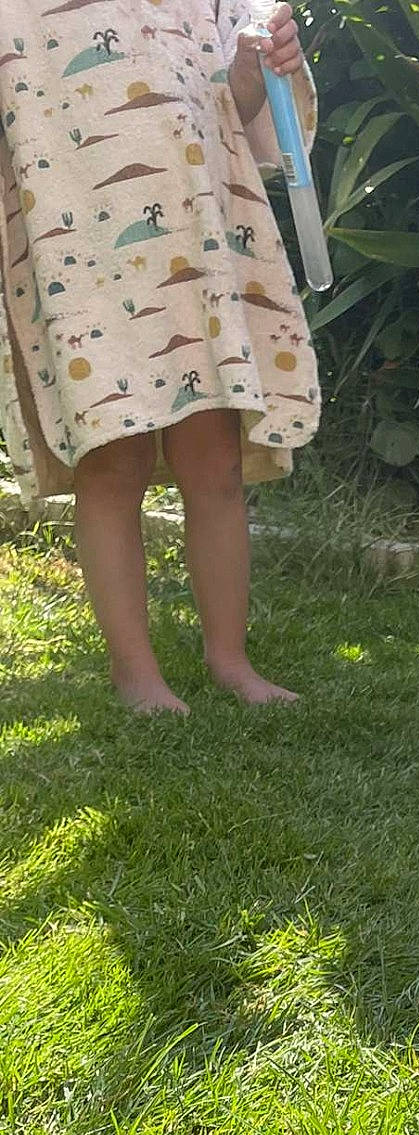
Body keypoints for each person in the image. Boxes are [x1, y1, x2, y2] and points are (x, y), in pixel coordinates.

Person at [0, 2, 322, 714]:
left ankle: (229, 660)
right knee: (115, 461)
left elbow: (239, 115)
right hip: (77, 253)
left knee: (215, 462)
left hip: (198, 242)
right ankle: (135, 673)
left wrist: (253, 70)